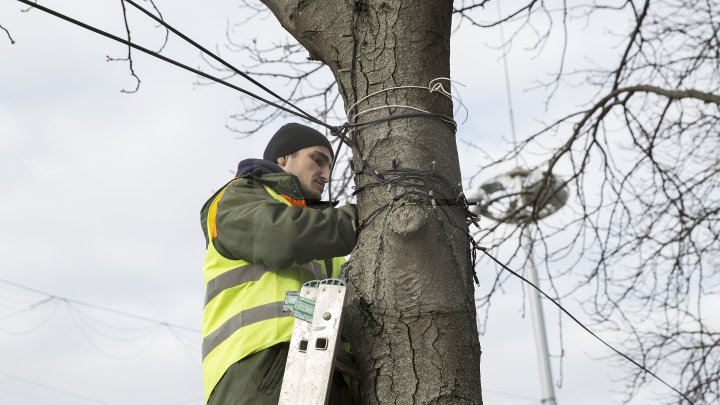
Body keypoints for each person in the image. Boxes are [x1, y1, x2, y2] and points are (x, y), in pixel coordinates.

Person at [200, 123, 358, 405]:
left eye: (330, 167)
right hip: (260, 370)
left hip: (327, 377)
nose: (326, 175)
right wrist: (360, 218)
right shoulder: (238, 198)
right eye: (318, 160)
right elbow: (283, 237)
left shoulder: (326, 244)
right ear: (283, 159)